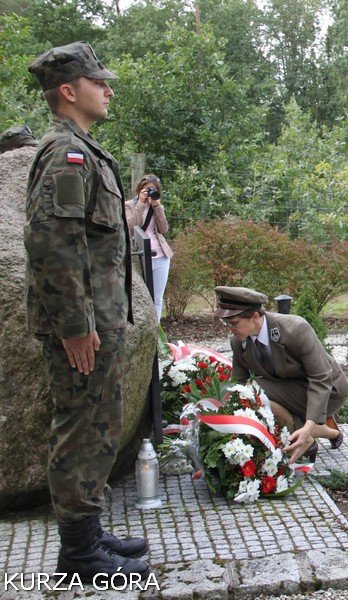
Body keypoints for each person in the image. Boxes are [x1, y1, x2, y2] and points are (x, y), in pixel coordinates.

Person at [24, 41, 150, 579]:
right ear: (69, 91)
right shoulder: (65, 154)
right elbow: (52, 245)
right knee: (81, 429)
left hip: (101, 321)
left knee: (98, 427)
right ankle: (78, 553)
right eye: (99, 82)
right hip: (85, 329)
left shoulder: (84, 149)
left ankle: (89, 532)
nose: (108, 90)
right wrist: (76, 327)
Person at [214, 286, 348, 462]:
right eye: (225, 323)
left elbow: (320, 378)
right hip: (290, 388)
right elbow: (238, 383)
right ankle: (322, 433)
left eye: (233, 323)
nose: (229, 329)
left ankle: (306, 435)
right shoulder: (238, 342)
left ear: (255, 316)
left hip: (329, 390)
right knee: (246, 392)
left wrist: (308, 427)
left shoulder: (296, 329)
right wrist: (220, 417)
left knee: (254, 389)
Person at [126, 173, 174, 322]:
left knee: (157, 298)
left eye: (153, 190)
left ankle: (156, 329)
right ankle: (146, 327)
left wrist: (158, 207)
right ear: (140, 189)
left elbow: (163, 229)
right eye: (147, 189)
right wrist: (141, 203)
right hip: (139, 256)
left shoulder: (156, 206)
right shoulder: (129, 205)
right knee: (142, 298)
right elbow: (130, 228)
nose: (150, 192)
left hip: (161, 256)